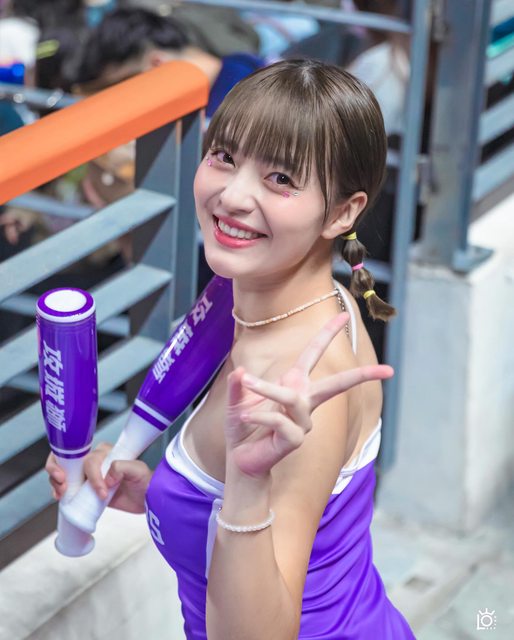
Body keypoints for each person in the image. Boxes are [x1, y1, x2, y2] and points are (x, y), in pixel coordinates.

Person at [46, 59, 416, 639]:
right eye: (223, 156)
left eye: (281, 178)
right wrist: (165, 494)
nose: (233, 195)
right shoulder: (302, 298)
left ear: (343, 212)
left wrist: (247, 482)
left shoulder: (295, 384)